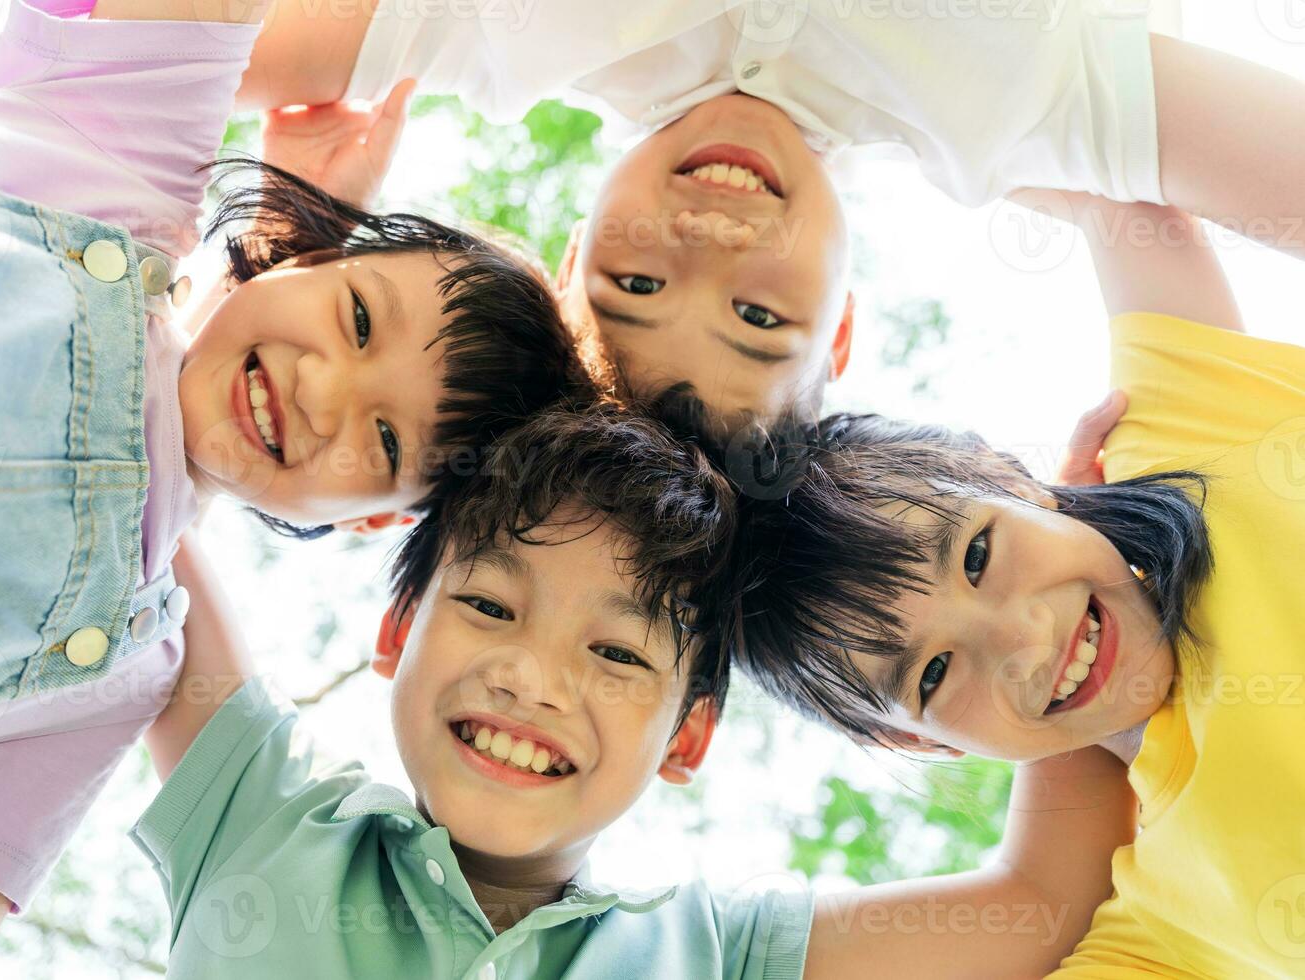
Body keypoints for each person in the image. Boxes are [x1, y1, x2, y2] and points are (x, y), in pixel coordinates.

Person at [0, 0, 578, 971]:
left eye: (386, 435)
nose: (321, 391)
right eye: (356, 316)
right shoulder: (125, 155)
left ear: (375, 519)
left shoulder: (111, 676)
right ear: (315, 252)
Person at [132, 403, 1138, 978]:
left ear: (686, 737)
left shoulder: (722, 952)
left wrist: (1058, 578)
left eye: (618, 654)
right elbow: (142, 481)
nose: (532, 675)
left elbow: (1043, 899)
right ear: (397, 630)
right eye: (488, 604)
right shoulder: (257, 812)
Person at [233, 0, 1305, 423]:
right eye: (761, 319)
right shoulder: (1014, 115)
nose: (713, 242)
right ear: (839, 323)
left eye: (638, 286)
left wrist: (289, 244)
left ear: (569, 261)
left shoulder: (497, 36)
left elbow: (123, 48)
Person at [729, 194, 1305, 975]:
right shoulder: (1167, 925)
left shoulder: (1189, 440)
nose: (1030, 640)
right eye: (935, 673)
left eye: (976, 555)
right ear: (919, 739)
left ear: (1006, 473)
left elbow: (1112, 171)